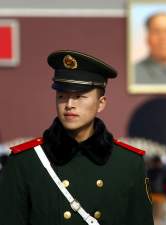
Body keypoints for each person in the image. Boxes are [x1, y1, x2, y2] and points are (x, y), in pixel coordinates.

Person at [0, 50, 154, 225]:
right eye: (62, 96)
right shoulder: (25, 162)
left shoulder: (128, 163)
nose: (69, 105)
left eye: (80, 96)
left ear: (101, 103)